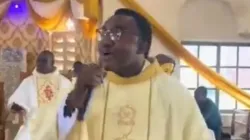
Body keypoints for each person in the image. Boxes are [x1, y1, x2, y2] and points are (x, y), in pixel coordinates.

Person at [62, 8, 211, 140]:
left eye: (117, 33)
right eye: (104, 33)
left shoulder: (174, 94)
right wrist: (76, 95)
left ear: (142, 46)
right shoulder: (89, 88)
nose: (104, 42)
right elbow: (57, 132)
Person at [7, 50, 74, 140]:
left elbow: (73, 104)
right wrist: (16, 106)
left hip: (58, 127)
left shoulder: (64, 83)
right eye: (38, 61)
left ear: (53, 62)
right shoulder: (29, 82)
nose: (40, 63)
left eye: (44, 61)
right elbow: (15, 102)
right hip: (33, 126)